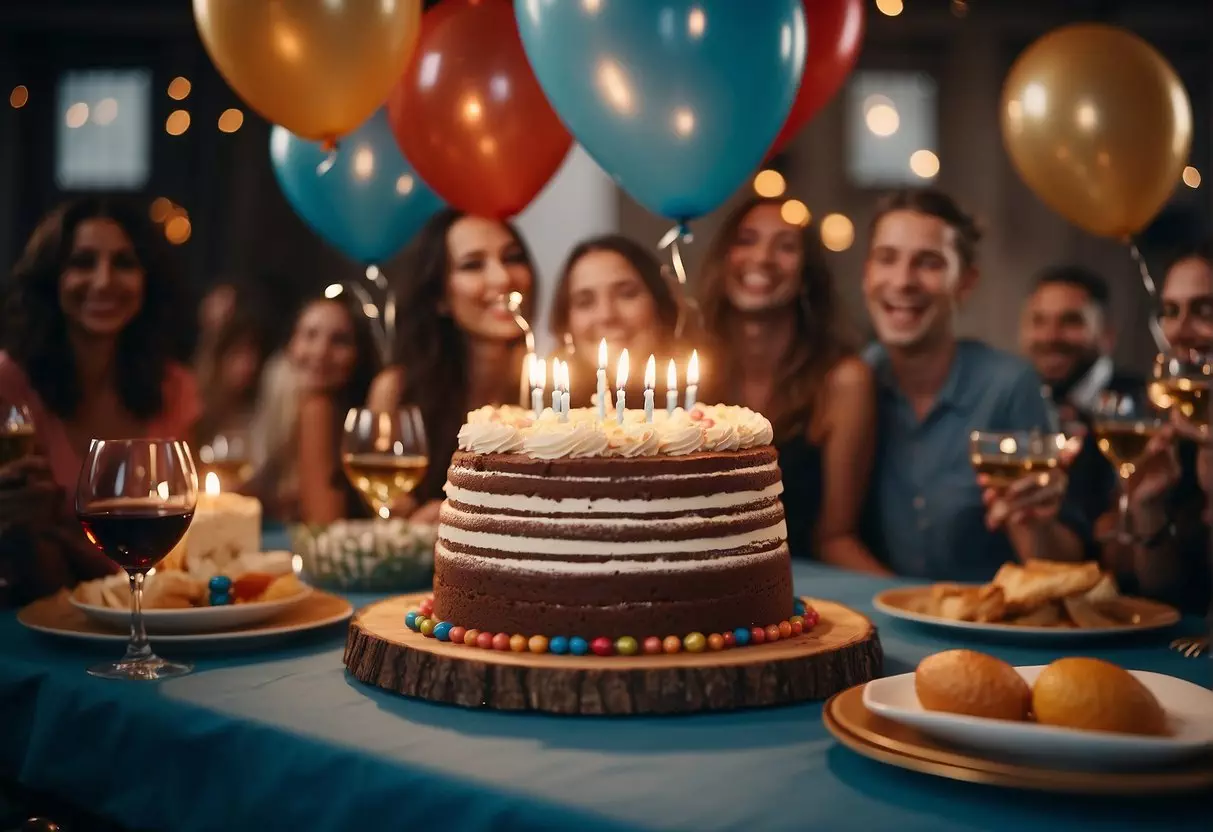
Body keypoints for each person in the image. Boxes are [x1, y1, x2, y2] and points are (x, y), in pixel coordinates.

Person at [860, 188, 1088, 581]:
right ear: (867, 274)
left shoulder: (1009, 385)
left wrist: (1036, 522)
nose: (902, 280)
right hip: (884, 624)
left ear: (965, 282)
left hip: (990, 628)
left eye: (928, 262)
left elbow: (1059, 569)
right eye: (887, 258)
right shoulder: (855, 381)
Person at [0, 197, 199, 601]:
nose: (104, 280)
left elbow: (182, 540)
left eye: (124, 263)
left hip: (142, 614)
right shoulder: (10, 385)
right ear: (51, 278)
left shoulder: (173, 387)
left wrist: (61, 527)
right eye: (82, 262)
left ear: (148, 280)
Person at [697, 196, 879, 569]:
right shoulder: (690, 373)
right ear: (723, 258)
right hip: (702, 586)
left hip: (807, 590)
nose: (762, 258)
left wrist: (908, 598)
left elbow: (835, 537)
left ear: (807, 275)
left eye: (786, 246)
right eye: (747, 239)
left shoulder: (843, 381)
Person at [367, 209, 536, 523]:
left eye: (512, 258)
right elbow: (387, 523)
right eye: (473, 265)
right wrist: (410, 525)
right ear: (439, 297)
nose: (503, 278)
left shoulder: (554, 388)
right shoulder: (398, 392)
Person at [1102, 241, 1212, 614]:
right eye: (1170, 311)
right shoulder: (1173, 430)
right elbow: (1162, 598)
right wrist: (1148, 508)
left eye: (1204, 309)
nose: (1179, 331)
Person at [1019, 265, 1142, 527]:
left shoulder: (1143, 407)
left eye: (1071, 321)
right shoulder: (1016, 403)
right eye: (1038, 321)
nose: (1050, 336)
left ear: (1107, 335)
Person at [245, 292, 380, 523]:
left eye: (339, 340)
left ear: (359, 354)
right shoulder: (285, 403)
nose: (320, 352)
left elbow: (325, 526)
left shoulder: (319, 410)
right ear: (291, 344)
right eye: (310, 335)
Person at [548, 234, 682, 408]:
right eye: (585, 302)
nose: (606, 315)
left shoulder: (712, 412)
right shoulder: (539, 418)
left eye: (626, 294)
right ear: (565, 322)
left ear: (659, 304)